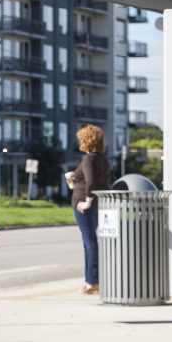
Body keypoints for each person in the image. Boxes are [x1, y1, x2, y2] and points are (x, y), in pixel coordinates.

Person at [68, 125, 111, 295]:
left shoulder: (88, 159)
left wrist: (86, 201)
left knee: (90, 243)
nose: (80, 142)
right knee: (90, 242)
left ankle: (93, 282)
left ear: (86, 140)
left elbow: (91, 181)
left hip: (83, 205)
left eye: (81, 139)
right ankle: (91, 280)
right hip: (97, 204)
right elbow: (100, 181)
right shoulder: (103, 159)